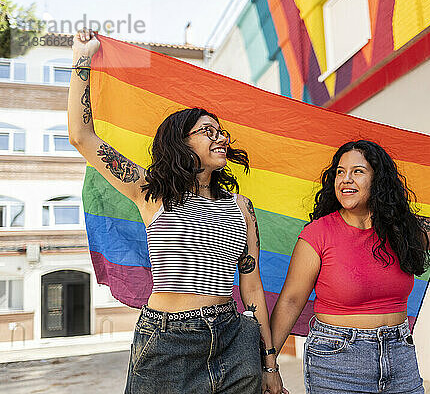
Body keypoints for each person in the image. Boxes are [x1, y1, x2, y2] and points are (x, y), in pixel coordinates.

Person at [68, 29, 286, 394]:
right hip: (167, 342)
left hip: (234, 339)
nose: (222, 137)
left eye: (221, 131)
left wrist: (269, 363)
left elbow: (251, 284)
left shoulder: (241, 206)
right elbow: (82, 136)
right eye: (207, 131)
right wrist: (82, 58)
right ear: (181, 142)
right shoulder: (150, 191)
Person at [269, 140, 430, 393]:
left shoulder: (399, 230)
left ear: (378, 180)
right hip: (338, 362)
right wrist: (269, 366)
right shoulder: (317, 234)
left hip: (399, 357)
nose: (346, 179)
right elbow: (291, 301)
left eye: (357, 171)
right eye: (340, 172)